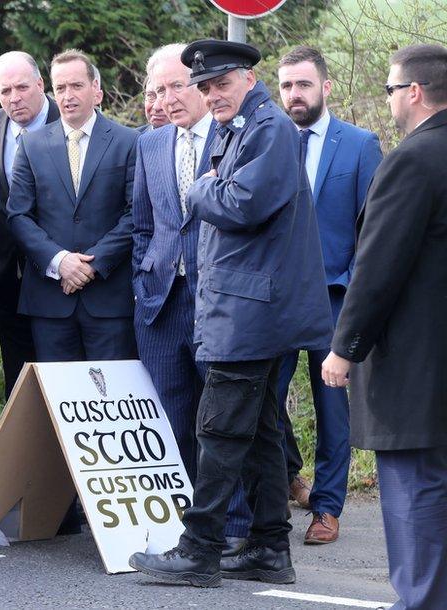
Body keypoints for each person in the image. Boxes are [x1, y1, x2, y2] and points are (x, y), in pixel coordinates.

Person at [129, 39, 332, 588]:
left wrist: (199, 189)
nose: (211, 95)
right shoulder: (249, 124)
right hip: (247, 304)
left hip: (249, 309)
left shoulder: (267, 127)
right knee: (263, 430)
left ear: (246, 77)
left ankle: (199, 549)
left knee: (217, 429)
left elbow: (242, 203)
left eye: (220, 84)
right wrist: (215, 188)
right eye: (204, 87)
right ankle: (269, 547)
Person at [322, 43, 447, 609]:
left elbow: (377, 267)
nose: (389, 99)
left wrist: (345, 348)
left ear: (414, 92)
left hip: (416, 370)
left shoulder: (413, 159)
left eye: (392, 89)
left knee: (415, 493)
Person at [131, 43, 252, 555]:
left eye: (177, 86)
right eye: (157, 90)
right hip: (161, 303)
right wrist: (146, 278)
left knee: (222, 422)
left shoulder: (235, 139)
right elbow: (144, 223)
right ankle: (187, 530)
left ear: (202, 86)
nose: (168, 98)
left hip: (218, 303)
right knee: (171, 418)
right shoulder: (151, 144)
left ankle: (236, 528)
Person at [275, 45, 383, 545]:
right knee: (261, 400)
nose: (294, 95)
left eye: (303, 84)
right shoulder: (267, 140)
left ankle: (327, 507)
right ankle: (288, 474)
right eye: (287, 86)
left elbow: (373, 231)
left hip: (334, 297)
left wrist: (359, 298)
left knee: (332, 406)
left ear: (326, 87)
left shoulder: (360, 145)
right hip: (274, 299)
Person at [7, 49, 139, 364]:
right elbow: (19, 216)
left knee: (113, 398)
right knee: (60, 403)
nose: (68, 95)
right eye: (61, 88)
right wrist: (61, 261)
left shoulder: (128, 141)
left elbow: (136, 214)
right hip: (50, 300)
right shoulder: (32, 145)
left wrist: (91, 265)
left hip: (109, 298)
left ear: (97, 90)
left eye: (77, 86)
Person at [0, 51, 57, 399]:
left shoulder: (70, 122)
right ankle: (23, 448)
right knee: (17, 373)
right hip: (6, 274)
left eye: (22, 87)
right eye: (5, 90)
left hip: (62, 272)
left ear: (40, 84)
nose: (14, 98)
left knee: (61, 369)